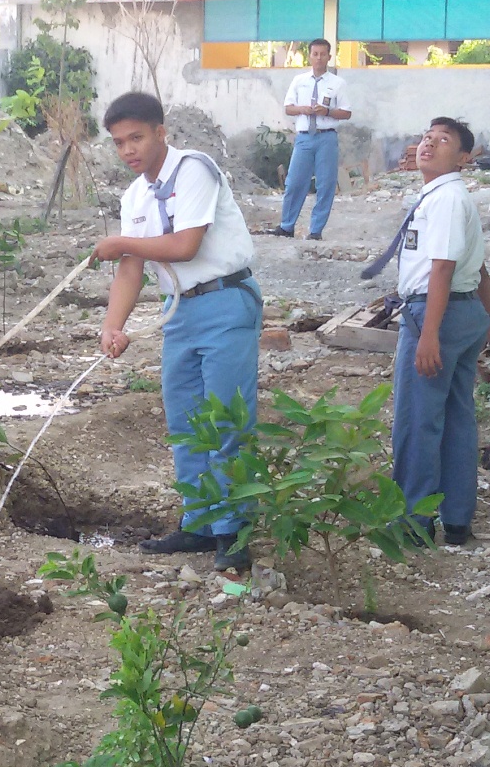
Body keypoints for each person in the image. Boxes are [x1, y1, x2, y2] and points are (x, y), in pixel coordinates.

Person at [93, 92, 262, 572]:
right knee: (185, 421)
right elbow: (130, 268)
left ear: (160, 132)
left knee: (227, 418)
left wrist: (120, 242)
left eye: (136, 138)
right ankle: (199, 523)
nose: (128, 150)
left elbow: (186, 245)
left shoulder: (194, 169)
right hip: (180, 310)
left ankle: (233, 532)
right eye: (119, 142)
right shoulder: (135, 196)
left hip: (225, 300)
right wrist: (113, 325)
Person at [387, 117, 490, 546]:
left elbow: (442, 268)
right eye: (427, 137)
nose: (429, 144)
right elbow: (482, 270)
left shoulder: (446, 200)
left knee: (418, 421)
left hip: (436, 314)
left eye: (443, 140)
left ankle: (413, 522)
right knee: (457, 418)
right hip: (463, 313)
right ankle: (457, 520)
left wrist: (428, 334)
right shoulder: (445, 198)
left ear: (463, 158)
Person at [273, 38, 352, 240]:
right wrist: (303, 109)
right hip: (304, 138)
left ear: (329, 56)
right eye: (315, 54)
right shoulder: (299, 81)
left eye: (323, 54)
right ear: (309, 56)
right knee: (294, 182)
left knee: (325, 184)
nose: (318, 58)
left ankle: (316, 231)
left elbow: (346, 113)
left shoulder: (337, 83)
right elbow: (288, 108)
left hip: (326, 137)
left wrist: (327, 111)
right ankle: (287, 226)